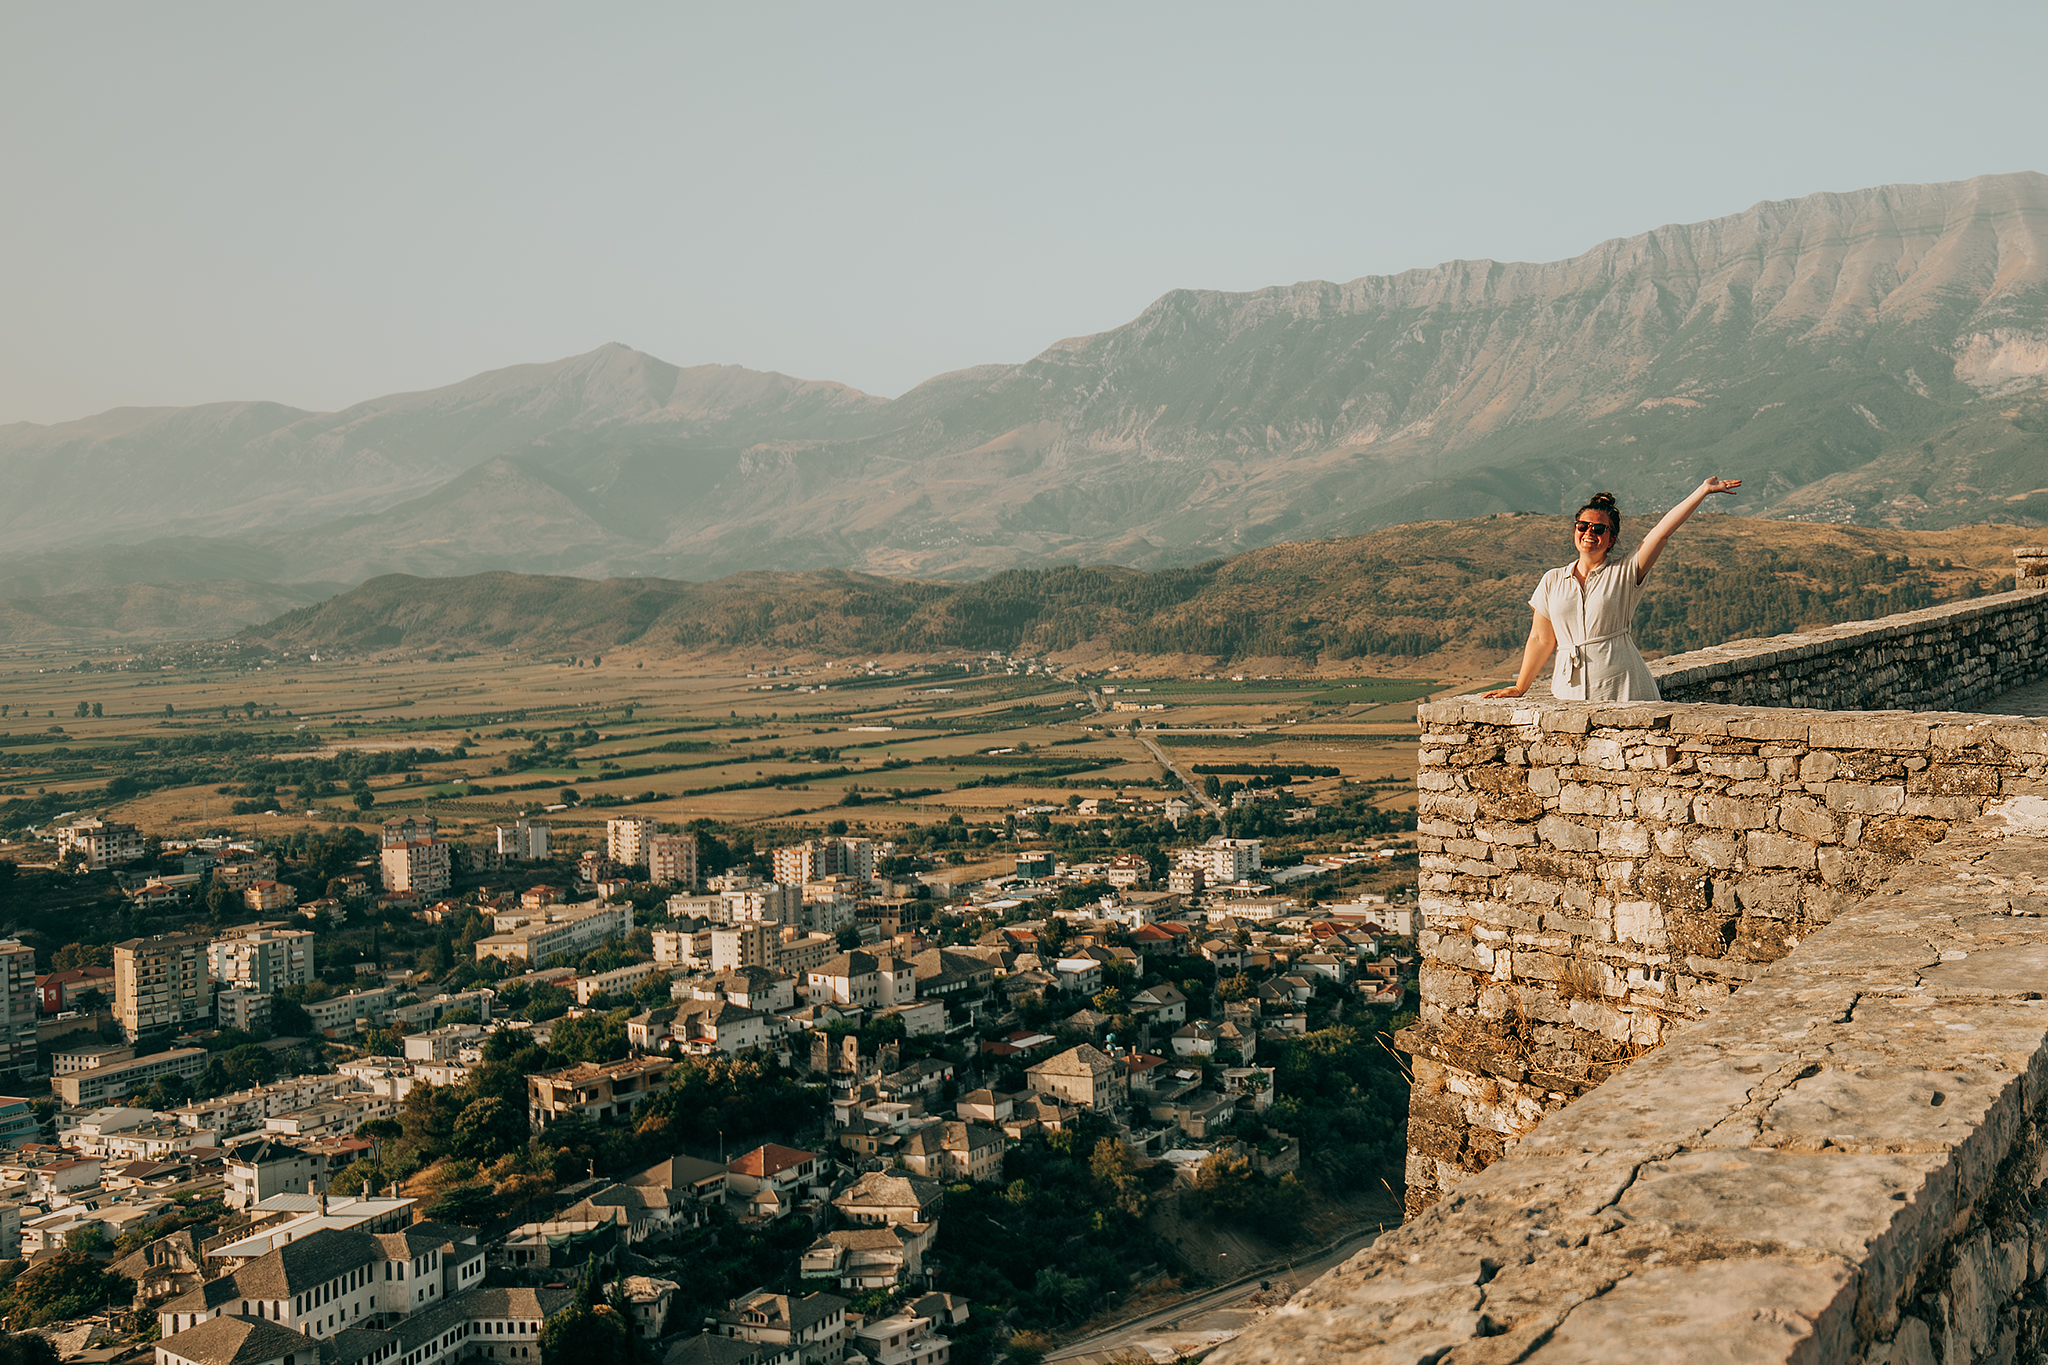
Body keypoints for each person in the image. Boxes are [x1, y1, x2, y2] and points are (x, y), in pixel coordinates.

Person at [1483, 478, 1742, 701]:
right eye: (1583, 526)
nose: (1588, 533)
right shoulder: (1552, 580)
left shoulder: (1625, 572)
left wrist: (1702, 491)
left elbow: (1661, 533)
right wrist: (1520, 687)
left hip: (1624, 688)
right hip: (1569, 692)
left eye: (1598, 528)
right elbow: (1541, 639)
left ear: (1612, 538)